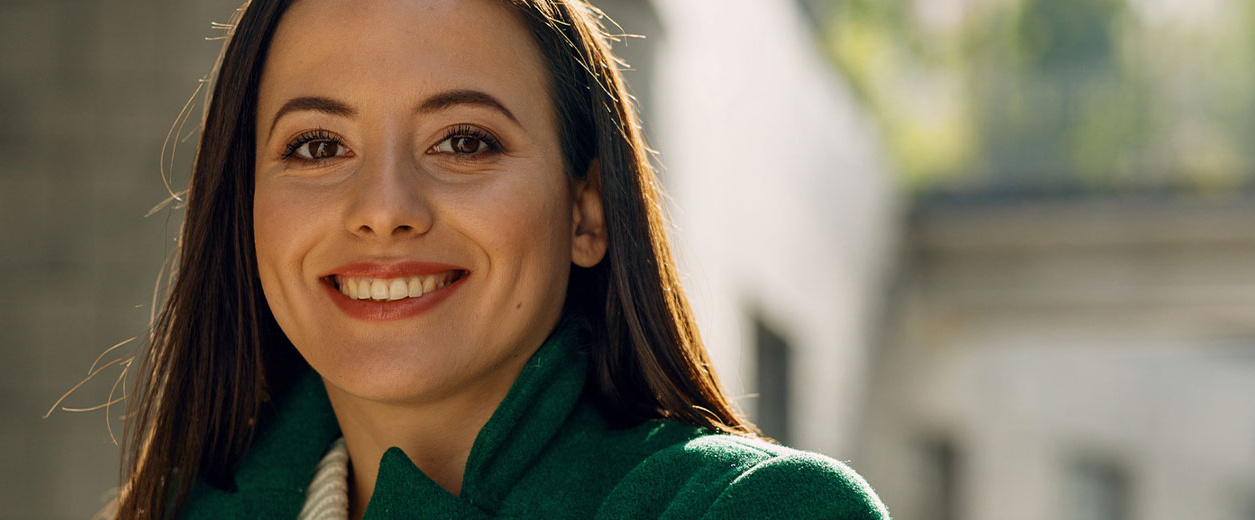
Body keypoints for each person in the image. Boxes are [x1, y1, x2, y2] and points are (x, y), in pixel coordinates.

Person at [113, 0, 891, 518]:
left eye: (463, 142)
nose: (383, 210)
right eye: (318, 146)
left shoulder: (757, 510)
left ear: (586, 212)